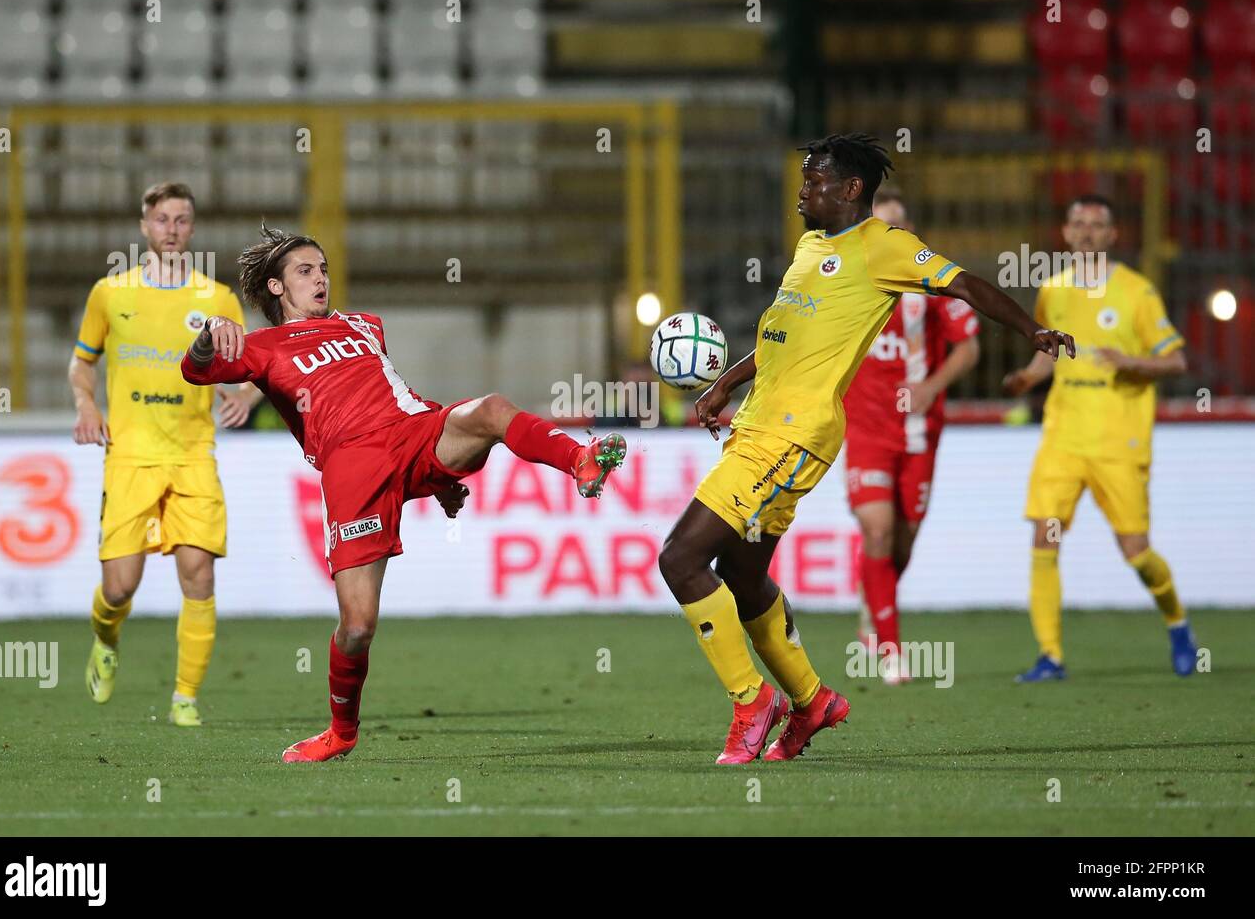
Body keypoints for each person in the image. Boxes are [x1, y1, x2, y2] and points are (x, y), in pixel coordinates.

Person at [658, 134, 1075, 764]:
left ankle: (751, 700)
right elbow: (781, 337)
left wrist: (1032, 328)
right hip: (760, 427)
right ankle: (812, 701)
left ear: (851, 188)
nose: (802, 191)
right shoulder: (809, 247)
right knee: (742, 578)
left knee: (680, 559)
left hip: (793, 434)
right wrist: (724, 385)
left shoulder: (885, 246)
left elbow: (965, 285)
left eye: (813, 180)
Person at [181, 225, 627, 762]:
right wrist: (209, 333)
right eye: (306, 272)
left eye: (323, 269)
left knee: (487, 410)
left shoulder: (364, 325)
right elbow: (195, 369)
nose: (320, 280)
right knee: (358, 626)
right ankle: (341, 732)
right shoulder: (262, 348)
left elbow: (399, 393)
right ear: (276, 288)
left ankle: (580, 460)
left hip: (414, 431)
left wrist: (440, 470)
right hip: (352, 467)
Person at [71, 181, 262, 726]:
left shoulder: (217, 300)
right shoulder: (110, 294)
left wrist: (243, 395)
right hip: (129, 457)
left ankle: (185, 698)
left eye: (181, 220)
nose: (172, 230)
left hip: (193, 456)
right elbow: (81, 363)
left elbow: (251, 367)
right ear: (144, 227)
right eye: (162, 220)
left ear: (193, 228)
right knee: (118, 587)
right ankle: (105, 639)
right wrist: (87, 407)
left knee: (198, 576)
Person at [1004, 195, 1196, 681]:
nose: (1087, 231)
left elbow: (1176, 360)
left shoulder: (1137, 292)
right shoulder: (1053, 290)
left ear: (1113, 236)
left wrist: (1132, 362)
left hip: (1119, 441)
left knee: (1137, 552)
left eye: (1098, 224)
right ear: (1066, 233)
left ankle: (1176, 622)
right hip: (1063, 438)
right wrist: (1029, 377)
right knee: (1044, 537)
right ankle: (1051, 656)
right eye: (1078, 223)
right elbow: (1050, 351)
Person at [844, 190, 980, 683]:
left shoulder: (931, 285)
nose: (890, 235)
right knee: (877, 531)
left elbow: (969, 348)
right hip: (865, 432)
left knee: (900, 548)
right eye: (881, 227)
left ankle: (871, 604)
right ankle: (890, 652)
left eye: (897, 226)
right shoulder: (845, 285)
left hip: (920, 434)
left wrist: (931, 386)